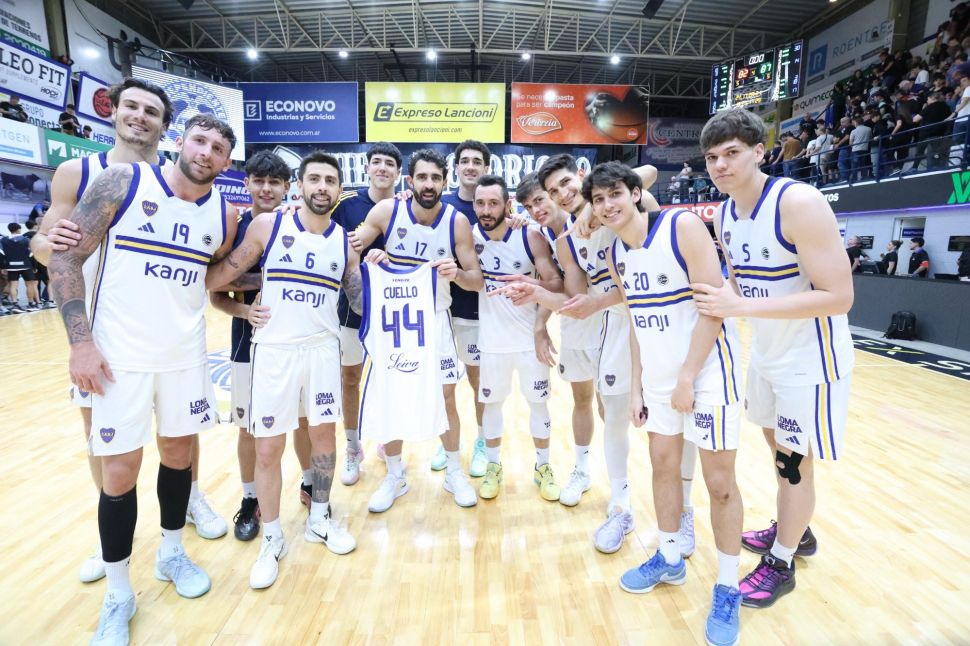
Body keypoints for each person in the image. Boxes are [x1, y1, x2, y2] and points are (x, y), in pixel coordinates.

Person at [48, 114, 240, 644]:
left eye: (218, 148)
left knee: (179, 458)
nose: (206, 152)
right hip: (118, 359)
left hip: (184, 357)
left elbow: (214, 275)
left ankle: (172, 553)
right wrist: (80, 344)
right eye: (199, 141)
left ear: (226, 162)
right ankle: (118, 592)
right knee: (119, 472)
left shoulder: (224, 215)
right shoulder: (123, 182)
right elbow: (65, 259)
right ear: (180, 142)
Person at [693, 108, 855, 609]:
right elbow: (740, 286)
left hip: (809, 360)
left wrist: (740, 307)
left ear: (760, 152)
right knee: (780, 454)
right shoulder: (723, 214)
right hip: (765, 354)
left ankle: (782, 562)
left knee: (793, 464)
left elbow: (839, 296)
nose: (720, 165)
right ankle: (795, 530)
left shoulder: (797, 202)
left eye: (732, 153)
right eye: (712, 158)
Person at [583, 161, 744, 646]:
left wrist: (688, 376)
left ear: (635, 193)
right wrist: (637, 388)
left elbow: (714, 308)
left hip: (708, 372)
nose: (607, 205)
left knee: (719, 484)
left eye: (615, 194)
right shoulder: (616, 252)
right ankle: (670, 557)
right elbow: (637, 322)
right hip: (657, 379)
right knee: (662, 466)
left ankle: (728, 586)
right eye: (598, 199)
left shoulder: (682, 226)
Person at [536, 154, 708, 556]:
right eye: (553, 191)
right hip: (615, 325)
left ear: (581, 177)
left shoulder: (626, 203)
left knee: (681, 417)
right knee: (615, 417)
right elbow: (580, 296)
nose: (563, 194)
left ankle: (684, 510)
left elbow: (647, 173)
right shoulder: (566, 241)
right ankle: (621, 505)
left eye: (566, 183)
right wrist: (541, 302)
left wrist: (595, 207)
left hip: (667, 319)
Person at [206, 151, 361, 589]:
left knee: (324, 440)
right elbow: (216, 279)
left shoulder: (344, 243)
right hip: (274, 351)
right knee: (268, 448)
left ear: (339, 189)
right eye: (315, 179)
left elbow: (359, 300)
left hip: (323, 351)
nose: (322, 187)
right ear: (300, 185)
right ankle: (272, 537)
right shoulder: (268, 226)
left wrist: (383, 273)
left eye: (330, 180)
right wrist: (243, 305)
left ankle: (319, 518)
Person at [349, 148, 483, 511]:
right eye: (422, 177)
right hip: (394, 323)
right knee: (391, 396)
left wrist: (458, 274)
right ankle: (395, 475)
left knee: (446, 397)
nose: (428, 184)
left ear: (445, 182)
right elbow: (349, 248)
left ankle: (454, 472)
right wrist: (372, 258)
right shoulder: (387, 211)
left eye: (436, 178)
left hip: (436, 320)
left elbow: (476, 280)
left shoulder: (456, 222)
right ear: (410, 180)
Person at [207, 150, 313, 542]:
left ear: (287, 188)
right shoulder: (233, 230)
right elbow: (216, 291)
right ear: (247, 183)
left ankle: (310, 483)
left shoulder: (303, 223)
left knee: (304, 419)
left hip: (299, 340)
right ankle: (251, 498)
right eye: (259, 181)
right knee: (250, 427)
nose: (266, 189)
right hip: (248, 343)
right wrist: (243, 310)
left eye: (274, 182)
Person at [511, 173, 600, 507]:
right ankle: (582, 469)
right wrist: (540, 324)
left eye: (539, 200)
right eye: (528, 206)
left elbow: (645, 176)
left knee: (612, 408)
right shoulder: (545, 234)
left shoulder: (596, 210)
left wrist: (590, 207)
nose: (535, 210)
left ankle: (624, 484)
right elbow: (564, 289)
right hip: (576, 322)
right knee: (582, 399)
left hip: (610, 319)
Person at [472, 175, 563, 501]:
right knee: (491, 405)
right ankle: (493, 466)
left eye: (493, 203)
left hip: (528, 340)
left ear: (507, 204)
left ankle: (543, 467)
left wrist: (532, 288)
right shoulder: (470, 236)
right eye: (480, 203)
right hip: (492, 342)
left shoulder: (530, 235)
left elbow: (556, 283)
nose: (486, 210)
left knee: (538, 404)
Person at [328, 142, 403, 484]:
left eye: (389, 163)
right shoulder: (346, 206)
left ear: (398, 173)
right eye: (377, 162)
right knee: (350, 379)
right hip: (351, 307)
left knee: (391, 377)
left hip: (394, 308)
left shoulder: (407, 206)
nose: (382, 168)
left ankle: (388, 441)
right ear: (367, 168)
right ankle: (352, 446)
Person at [437, 140, 493, 476]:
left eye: (477, 161)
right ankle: (447, 442)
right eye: (465, 161)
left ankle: (483, 441)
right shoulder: (439, 205)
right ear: (456, 167)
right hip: (440, 312)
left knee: (478, 383)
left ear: (486, 167)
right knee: (443, 386)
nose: (470, 166)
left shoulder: (495, 206)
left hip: (477, 310)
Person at [1, 223, 39, 310]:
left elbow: (2, 254)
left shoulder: (3, 240)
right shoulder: (26, 240)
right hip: (26, 265)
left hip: (11, 266)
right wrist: (34, 266)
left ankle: (15, 304)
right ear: (18, 229)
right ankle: (31, 304)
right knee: (30, 285)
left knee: (13, 285)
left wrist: (3, 266)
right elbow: (31, 254)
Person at [849, 116, 872, 181]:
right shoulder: (869, 129)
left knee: (854, 165)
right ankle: (864, 177)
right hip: (865, 149)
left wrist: (853, 147)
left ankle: (854, 178)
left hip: (855, 150)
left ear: (856, 123)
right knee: (863, 164)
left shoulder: (853, 131)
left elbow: (850, 143)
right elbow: (870, 138)